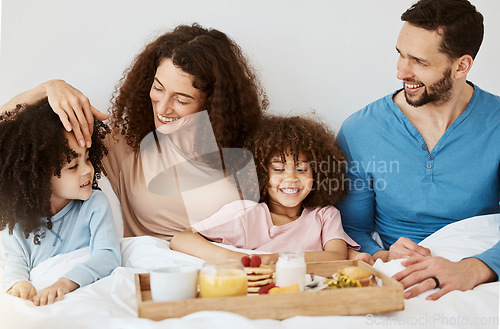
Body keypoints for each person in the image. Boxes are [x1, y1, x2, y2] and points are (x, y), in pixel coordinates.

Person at [0, 23, 268, 240]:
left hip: (233, 274)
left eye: (182, 100)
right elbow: (8, 138)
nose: (163, 107)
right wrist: (45, 89)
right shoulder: (126, 145)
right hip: (154, 278)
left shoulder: (250, 149)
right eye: (158, 88)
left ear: (213, 103)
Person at [336, 0, 499, 300]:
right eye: (400, 55)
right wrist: (382, 254)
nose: (401, 72)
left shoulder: (496, 123)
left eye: (419, 62)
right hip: (401, 271)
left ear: (461, 65)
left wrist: (473, 268)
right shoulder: (361, 130)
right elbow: (349, 230)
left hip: (481, 275)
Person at [170, 115, 360, 264]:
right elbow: (181, 239)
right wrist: (230, 258)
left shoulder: (325, 215)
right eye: (278, 169)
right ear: (260, 174)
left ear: (317, 173)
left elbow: (336, 256)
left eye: (301, 169)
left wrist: (273, 259)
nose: (291, 178)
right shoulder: (246, 214)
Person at [0, 100, 121, 306]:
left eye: (88, 158)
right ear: (39, 177)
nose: (87, 170)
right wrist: (20, 283)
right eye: (73, 166)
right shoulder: (16, 223)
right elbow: (12, 263)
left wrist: (65, 284)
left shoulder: (94, 204)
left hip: (84, 297)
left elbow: (108, 255)